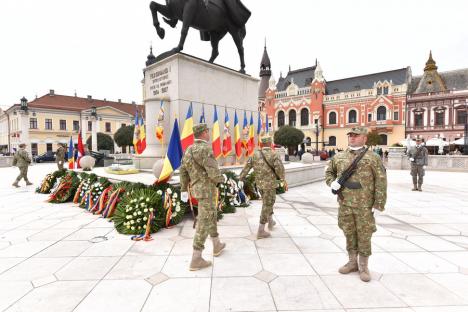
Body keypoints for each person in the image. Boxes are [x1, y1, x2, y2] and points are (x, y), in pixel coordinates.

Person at [325, 126, 387, 282]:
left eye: (356, 135)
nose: (352, 138)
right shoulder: (339, 157)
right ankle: (352, 262)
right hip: (345, 204)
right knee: (349, 232)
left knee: (364, 235)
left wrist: (379, 203)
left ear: (364, 138)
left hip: (364, 205)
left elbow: (381, 181)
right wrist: (331, 183)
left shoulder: (373, 158)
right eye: (350, 135)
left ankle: (364, 266)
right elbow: (329, 172)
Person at [179, 124, 226, 271]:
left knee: (210, 216)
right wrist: (222, 178)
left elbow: (183, 170)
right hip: (208, 190)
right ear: (204, 133)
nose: (209, 134)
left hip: (197, 190)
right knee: (204, 222)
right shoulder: (205, 149)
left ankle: (216, 244)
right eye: (208, 131)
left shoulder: (188, 149)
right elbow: (213, 172)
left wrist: (183, 189)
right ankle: (196, 258)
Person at [238, 135, 286, 239]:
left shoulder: (255, 154)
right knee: (268, 204)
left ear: (262, 144)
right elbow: (280, 169)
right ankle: (261, 230)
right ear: (270, 143)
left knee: (268, 202)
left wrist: (241, 178)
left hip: (259, 184)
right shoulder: (274, 154)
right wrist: (282, 179)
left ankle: (271, 221)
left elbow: (247, 167)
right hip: (270, 185)